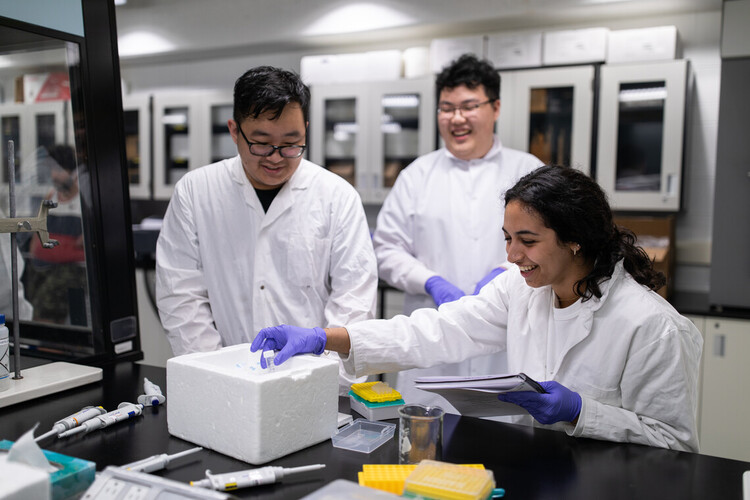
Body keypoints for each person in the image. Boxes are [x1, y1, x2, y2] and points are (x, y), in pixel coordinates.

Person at [251, 166, 703, 452]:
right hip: (545, 469)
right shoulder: (521, 290)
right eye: (507, 238)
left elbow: (675, 444)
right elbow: (437, 331)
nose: (511, 256)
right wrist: (326, 336)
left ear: (574, 238)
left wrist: (582, 412)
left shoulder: (654, 327)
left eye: (527, 241)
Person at [155, 66, 378, 393]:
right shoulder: (196, 191)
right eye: (261, 144)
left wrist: (320, 381)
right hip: (223, 382)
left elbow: (354, 301)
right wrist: (215, 374)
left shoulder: (336, 196)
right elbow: (180, 295)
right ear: (235, 131)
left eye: (292, 143)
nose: (277, 158)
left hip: (317, 382)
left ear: (305, 131)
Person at [372, 53, 542, 410]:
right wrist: (431, 281)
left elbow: (550, 247)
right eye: (446, 108)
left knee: (504, 446)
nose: (456, 118)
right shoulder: (417, 175)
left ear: (495, 107)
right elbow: (386, 250)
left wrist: (506, 272)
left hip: (506, 341)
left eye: (468, 106)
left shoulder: (529, 172)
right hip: (434, 341)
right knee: (426, 445)